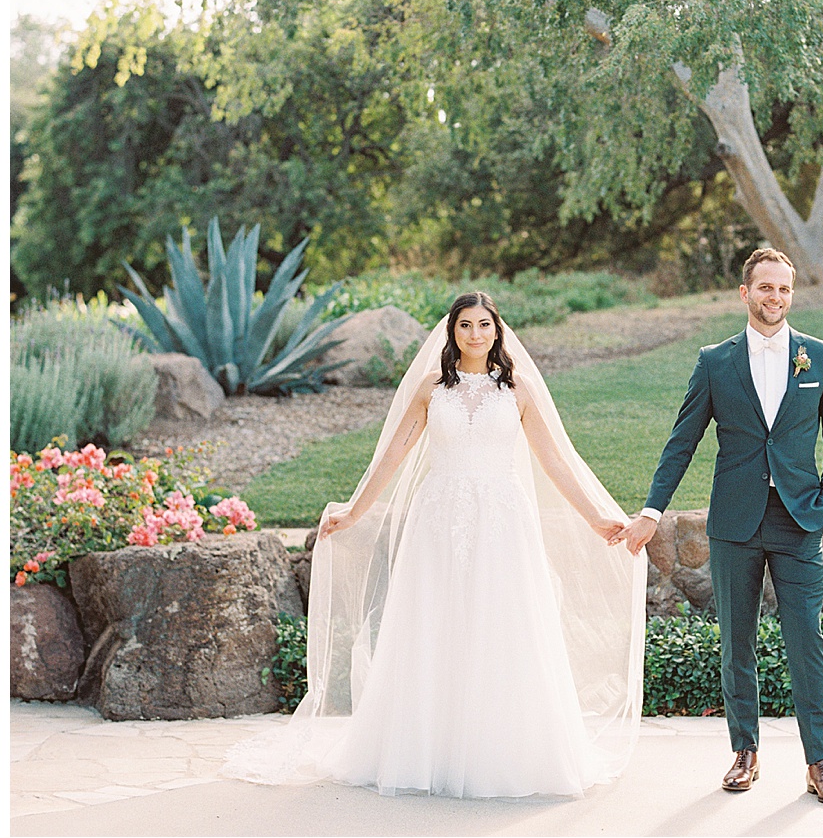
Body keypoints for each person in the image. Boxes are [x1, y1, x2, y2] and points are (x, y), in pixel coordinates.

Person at [224, 292, 646, 800]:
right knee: (433, 625)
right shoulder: (431, 388)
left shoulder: (519, 390)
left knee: (503, 626)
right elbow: (393, 453)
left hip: (502, 522)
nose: (474, 334)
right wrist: (353, 510)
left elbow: (556, 461)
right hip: (439, 519)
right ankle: (426, 749)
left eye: (483, 325)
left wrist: (598, 516)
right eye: (464, 325)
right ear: (451, 334)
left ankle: (503, 752)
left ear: (497, 330)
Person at [621, 248, 823, 803]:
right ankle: (744, 753)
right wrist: (652, 510)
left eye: (784, 290)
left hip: (798, 521)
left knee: (807, 643)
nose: (775, 298)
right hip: (734, 522)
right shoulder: (714, 362)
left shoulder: (819, 358)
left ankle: (819, 763)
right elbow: (682, 442)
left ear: (791, 295)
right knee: (737, 642)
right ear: (744, 293)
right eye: (765, 288)